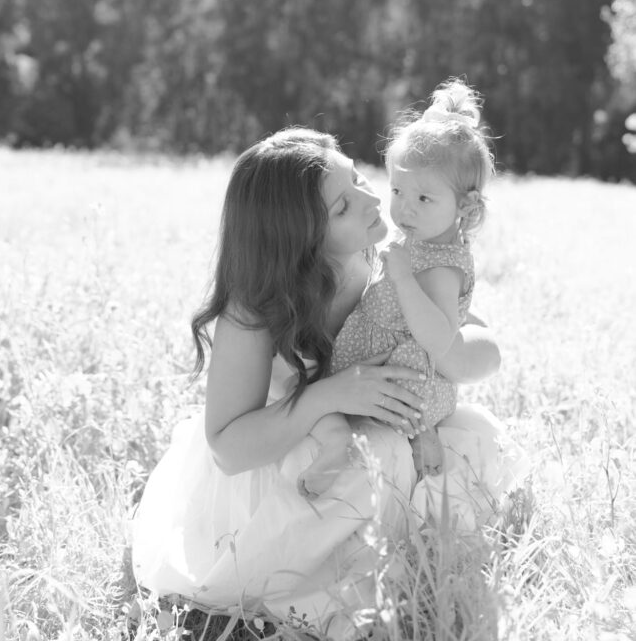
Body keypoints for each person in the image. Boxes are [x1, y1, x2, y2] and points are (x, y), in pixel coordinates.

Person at [131, 127, 526, 638]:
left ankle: (417, 565)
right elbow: (228, 447)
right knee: (373, 460)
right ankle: (350, 596)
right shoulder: (255, 310)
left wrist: (466, 353)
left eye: (359, 178)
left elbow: (469, 338)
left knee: (475, 433)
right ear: (300, 240)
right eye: (342, 207)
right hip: (285, 452)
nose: (369, 199)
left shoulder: (378, 260)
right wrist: (330, 396)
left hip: (372, 427)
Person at [299, 79, 495, 496]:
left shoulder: (441, 266)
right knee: (315, 392)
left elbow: (440, 338)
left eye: (424, 198)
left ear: (463, 207)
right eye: (397, 190)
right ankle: (342, 442)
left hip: (409, 383)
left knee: (315, 394)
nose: (404, 207)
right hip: (386, 363)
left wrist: (403, 278)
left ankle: (416, 433)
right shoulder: (423, 241)